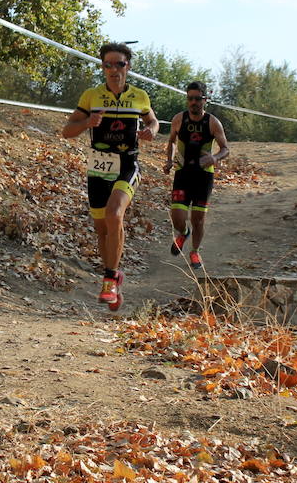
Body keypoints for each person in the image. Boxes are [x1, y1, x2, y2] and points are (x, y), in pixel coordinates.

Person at [62, 43, 159, 311]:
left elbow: (153, 121)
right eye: (108, 64)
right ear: (102, 67)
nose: (114, 70)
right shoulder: (91, 96)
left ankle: (109, 280)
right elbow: (67, 130)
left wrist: (150, 130)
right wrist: (87, 123)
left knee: (115, 214)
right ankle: (114, 276)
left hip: (128, 165)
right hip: (98, 168)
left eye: (120, 64)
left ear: (128, 67)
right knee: (103, 230)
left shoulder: (140, 96)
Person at [163, 81, 229, 269]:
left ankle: (195, 252)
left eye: (197, 99)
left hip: (203, 177)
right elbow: (172, 141)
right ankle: (183, 233)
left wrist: (215, 158)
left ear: (205, 100)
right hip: (183, 173)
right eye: (190, 98)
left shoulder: (212, 122)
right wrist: (169, 159)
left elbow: (226, 149)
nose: (193, 102)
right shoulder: (179, 119)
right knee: (177, 217)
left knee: (198, 219)